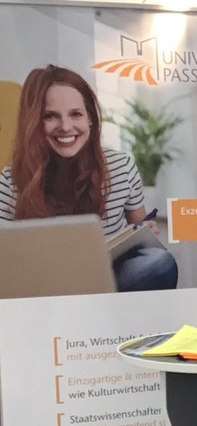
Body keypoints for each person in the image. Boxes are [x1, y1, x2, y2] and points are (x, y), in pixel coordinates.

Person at [0, 65, 177, 292]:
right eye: (50, 116)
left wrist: (145, 232)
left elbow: (139, 226)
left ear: (90, 119)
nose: (65, 127)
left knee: (158, 262)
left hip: (112, 277)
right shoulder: (10, 180)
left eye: (76, 114)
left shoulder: (121, 166)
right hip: (47, 287)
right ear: (34, 121)